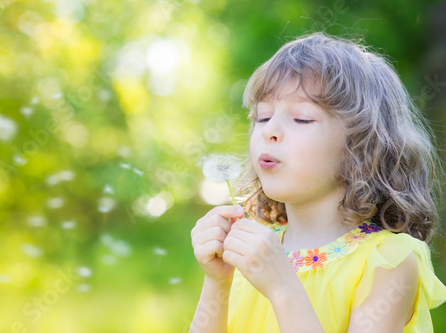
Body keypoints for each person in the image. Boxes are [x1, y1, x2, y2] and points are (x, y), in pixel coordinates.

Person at [189, 32, 446, 332]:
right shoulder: (255, 252)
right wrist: (218, 281)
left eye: (301, 119)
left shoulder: (388, 261)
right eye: (262, 117)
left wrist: (283, 289)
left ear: (360, 148)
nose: (270, 131)